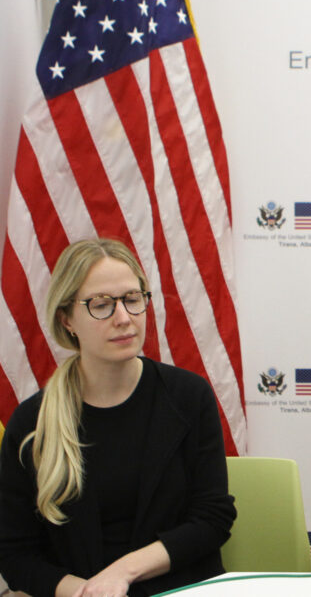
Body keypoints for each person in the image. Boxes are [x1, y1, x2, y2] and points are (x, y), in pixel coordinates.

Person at [0, 238, 235, 597]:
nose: (124, 318)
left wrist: (122, 573)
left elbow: (211, 520)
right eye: (101, 305)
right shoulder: (32, 422)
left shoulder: (189, 396)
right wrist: (86, 591)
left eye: (132, 299)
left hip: (179, 588)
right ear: (67, 319)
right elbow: (15, 555)